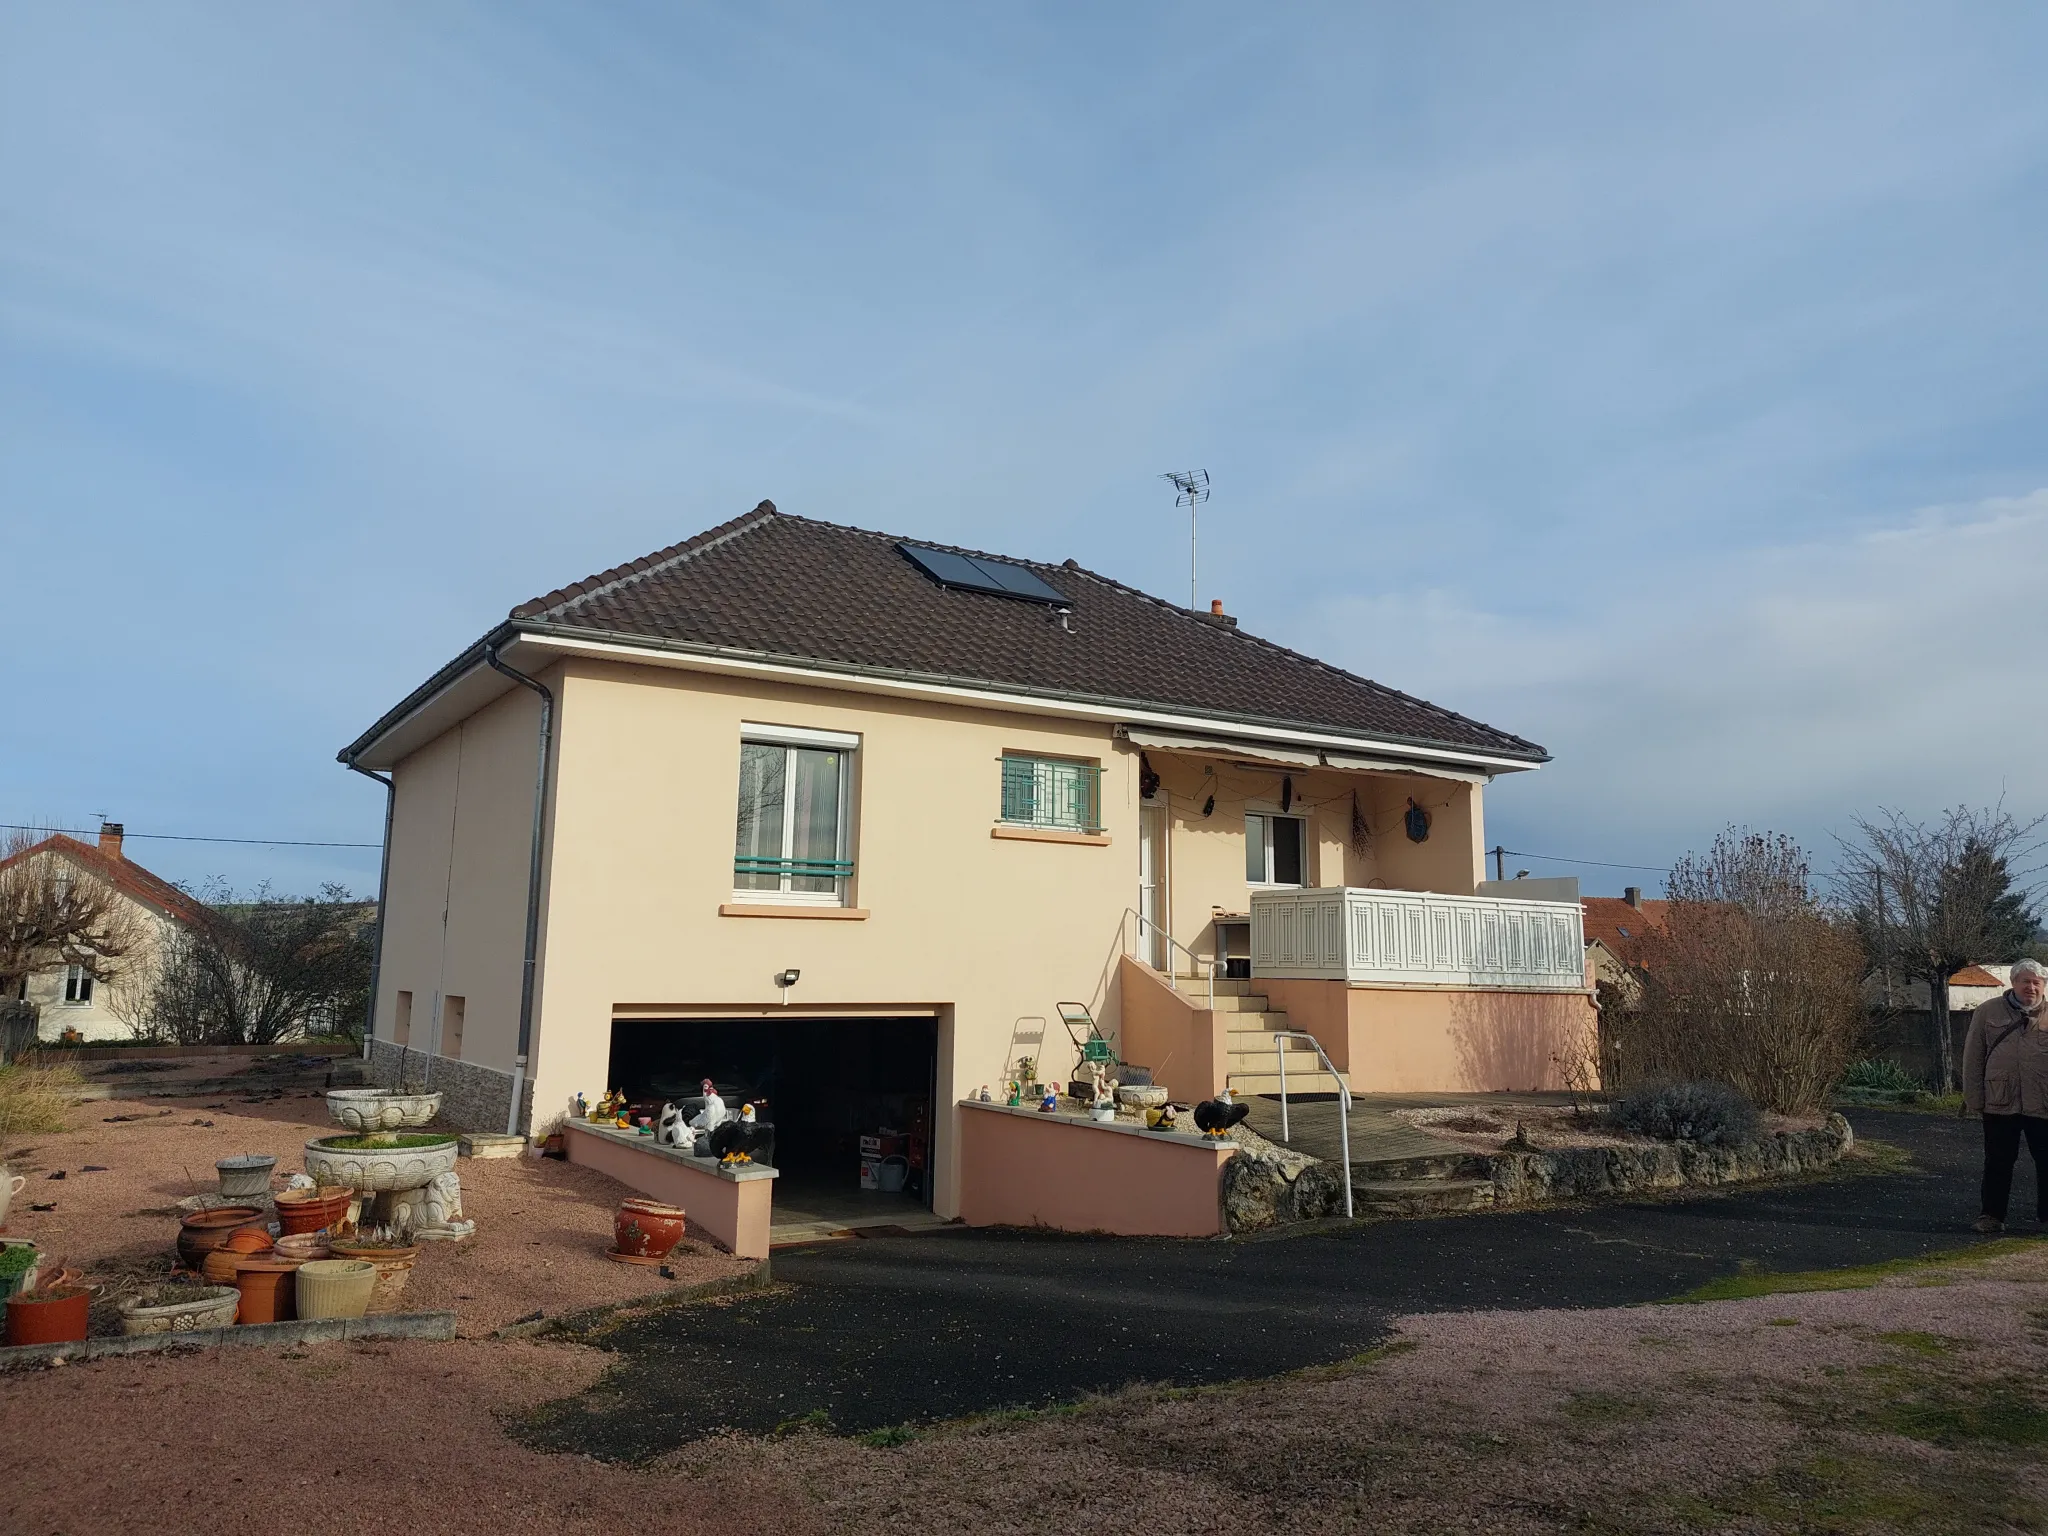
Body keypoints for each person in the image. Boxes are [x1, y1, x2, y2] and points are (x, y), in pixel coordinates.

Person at [1961, 957, 2048, 1233]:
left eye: (2037, 983)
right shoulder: (1987, 1011)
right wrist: (1974, 1098)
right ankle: (1991, 1216)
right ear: (2013, 983)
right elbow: (1973, 1057)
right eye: (2026, 982)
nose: (2031, 988)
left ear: (2044, 986)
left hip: (2044, 1102)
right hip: (1999, 1101)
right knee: (1997, 1161)